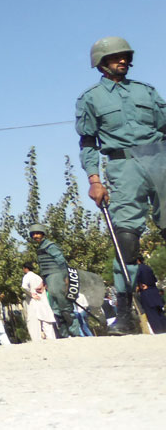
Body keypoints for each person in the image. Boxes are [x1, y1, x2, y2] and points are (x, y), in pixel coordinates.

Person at [75, 36, 166, 335]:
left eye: (125, 56)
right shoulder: (90, 98)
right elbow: (88, 142)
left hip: (160, 159)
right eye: (115, 57)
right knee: (126, 237)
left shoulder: (146, 91)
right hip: (123, 165)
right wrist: (94, 179)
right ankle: (125, 315)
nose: (123, 60)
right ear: (101, 64)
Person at [28, 224, 76, 338]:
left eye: (37, 233)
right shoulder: (40, 248)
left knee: (65, 306)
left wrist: (66, 277)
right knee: (56, 309)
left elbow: (61, 260)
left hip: (57, 276)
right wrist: (43, 283)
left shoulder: (50, 246)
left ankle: (75, 333)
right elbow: (44, 268)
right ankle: (64, 334)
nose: (35, 236)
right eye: (33, 234)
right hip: (49, 278)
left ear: (43, 234)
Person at [20, 263, 56, 341]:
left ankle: (37, 340)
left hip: (34, 302)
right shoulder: (38, 277)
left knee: (34, 323)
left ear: (25, 268)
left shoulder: (27, 276)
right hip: (43, 301)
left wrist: (31, 294)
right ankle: (51, 339)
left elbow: (23, 287)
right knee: (47, 322)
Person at [136, 257, 166, 333]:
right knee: (160, 313)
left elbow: (136, 281)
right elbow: (154, 279)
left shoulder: (138, 269)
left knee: (152, 315)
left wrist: (139, 286)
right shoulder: (148, 267)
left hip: (146, 293)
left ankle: (159, 332)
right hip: (154, 291)